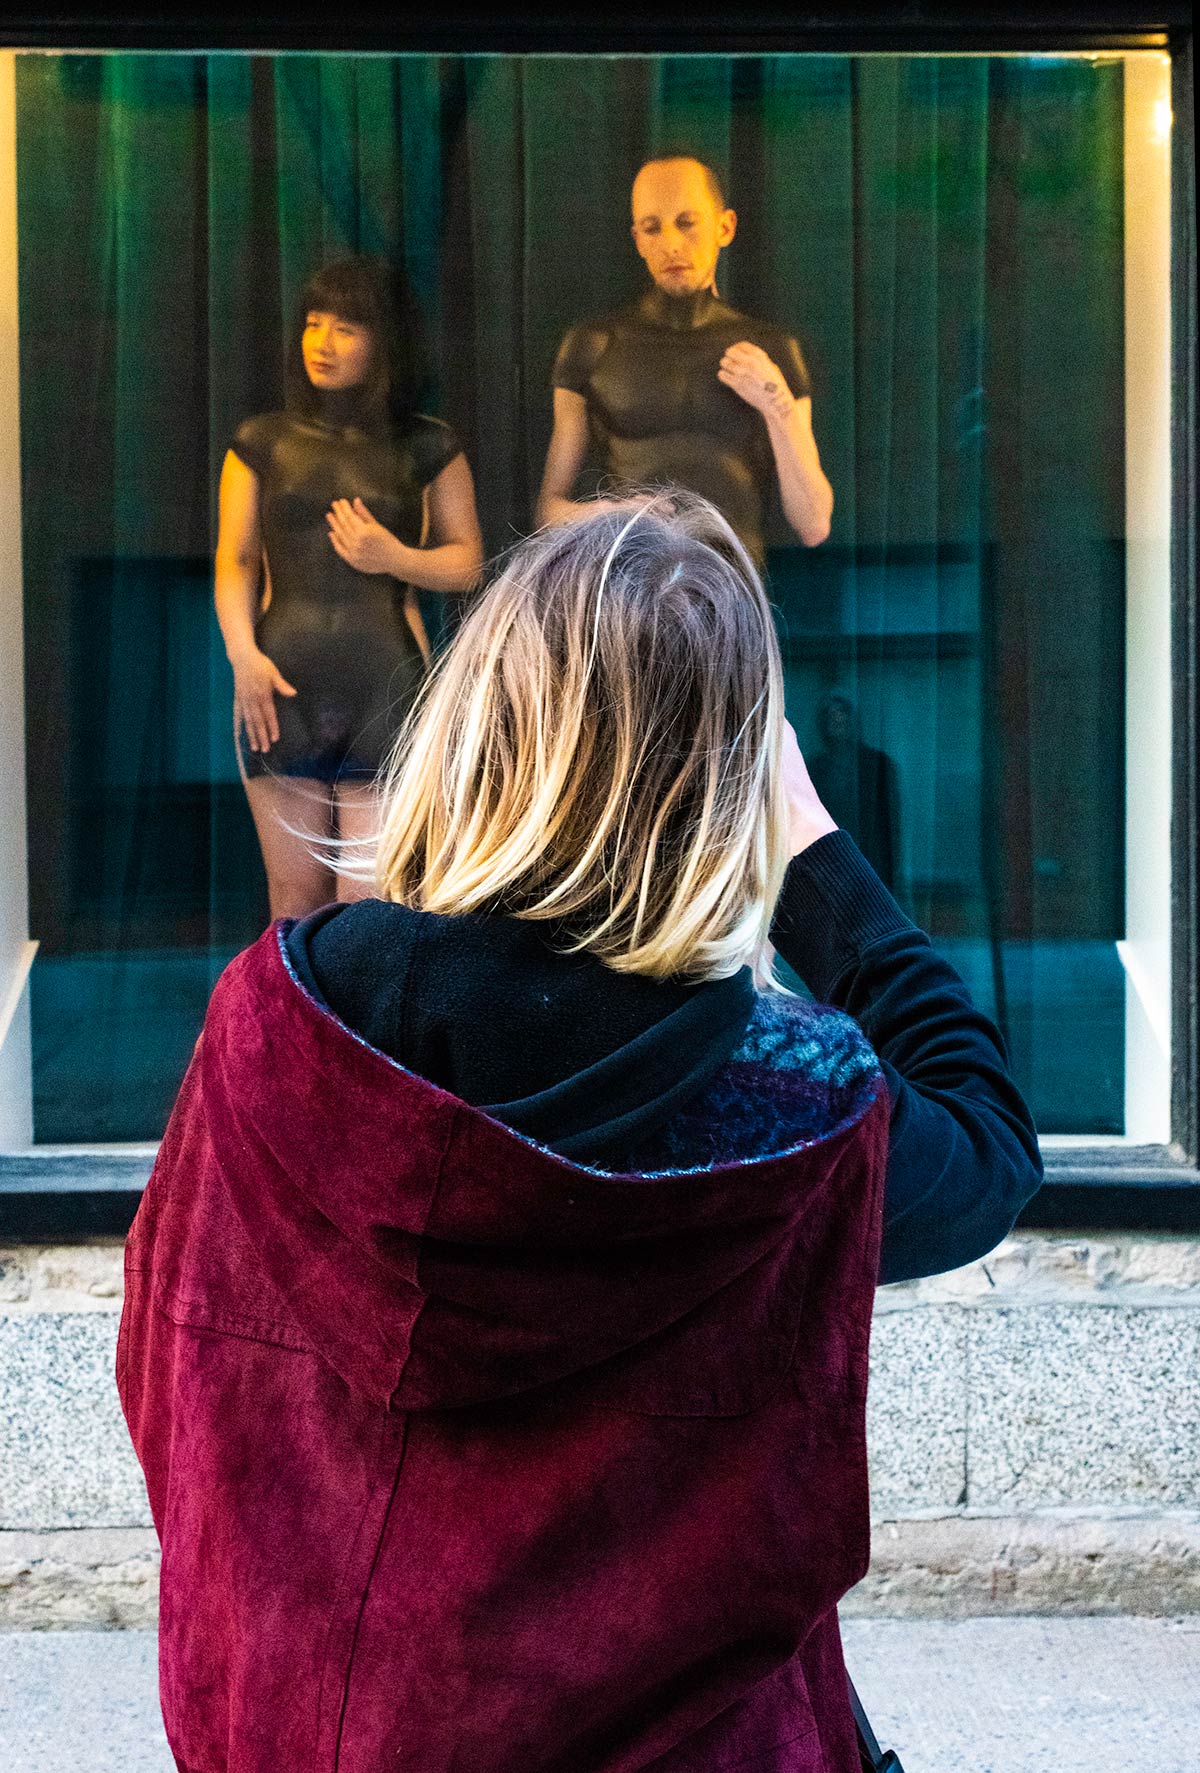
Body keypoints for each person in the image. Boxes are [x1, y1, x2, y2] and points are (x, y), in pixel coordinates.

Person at [118, 492, 1041, 1772]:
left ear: (475, 724)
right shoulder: (791, 1103)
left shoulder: (273, 1019)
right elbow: (990, 1147)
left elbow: (165, 1371)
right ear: (730, 786)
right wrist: (817, 852)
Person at [214, 253, 484, 920]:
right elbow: (236, 561)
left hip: (384, 686)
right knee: (293, 901)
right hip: (279, 686)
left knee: (368, 906)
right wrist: (242, 655)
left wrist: (391, 554)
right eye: (312, 323)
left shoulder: (428, 444)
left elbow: (469, 563)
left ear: (382, 341)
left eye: (345, 328)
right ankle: (286, 1029)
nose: (322, 343)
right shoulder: (261, 440)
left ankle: (352, 1030)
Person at [537, 154, 834, 567]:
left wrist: (776, 403)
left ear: (724, 227)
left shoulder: (770, 349)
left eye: (687, 222)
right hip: (630, 587)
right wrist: (614, 514)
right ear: (638, 239)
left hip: (732, 591)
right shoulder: (594, 345)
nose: (671, 244)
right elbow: (548, 514)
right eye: (652, 228)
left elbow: (814, 522)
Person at [808, 689, 903, 893]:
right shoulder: (815, 768)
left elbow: (889, 827)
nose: (836, 724)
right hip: (827, 867)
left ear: (853, 723)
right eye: (830, 719)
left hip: (871, 865)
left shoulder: (878, 766)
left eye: (841, 718)